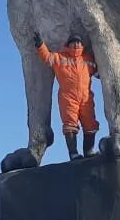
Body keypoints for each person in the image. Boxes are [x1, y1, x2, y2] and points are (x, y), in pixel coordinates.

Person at [33, 31, 100, 160]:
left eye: (78, 42)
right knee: (70, 124)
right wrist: (40, 45)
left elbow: (98, 72)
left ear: (82, 45)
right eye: (74, 42)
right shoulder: (60, 57)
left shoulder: (87, 59)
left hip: (86, 97)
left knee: (90, 123)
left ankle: (89, 150)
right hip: (68, 98)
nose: (76, 44)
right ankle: (73, 153)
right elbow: (47, 58)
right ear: (68, 44)